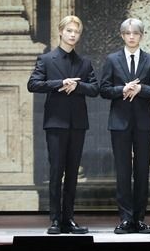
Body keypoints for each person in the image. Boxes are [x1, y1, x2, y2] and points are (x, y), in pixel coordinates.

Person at [28, 15, 99, 234]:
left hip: (77, 124)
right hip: (56, 123)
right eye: (69, 31)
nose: (73, 35)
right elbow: (33, 84)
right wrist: (60, 83)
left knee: (72, 172)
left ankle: (69, 219)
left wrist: (77, 86)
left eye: (76, 32)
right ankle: (55, 220)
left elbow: (95, 89)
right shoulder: (46, 59)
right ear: (60, 32)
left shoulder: (84, 62)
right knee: (56, 171)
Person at [100, 18, 150, 234]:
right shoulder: (112, 59)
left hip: (144, 124)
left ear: (141, 36)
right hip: (120, 123)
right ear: (122, 35)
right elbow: (104, 89)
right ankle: (126, 219)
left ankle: (139, 219)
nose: (132, 36)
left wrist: (141, 89)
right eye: (128, 33)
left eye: (135, 33)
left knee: (142, 172)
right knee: (123, 172)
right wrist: (122, 90)